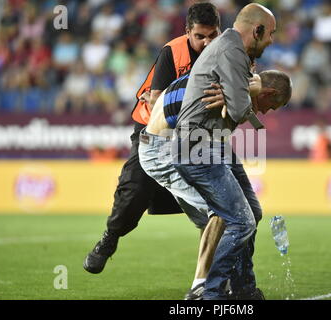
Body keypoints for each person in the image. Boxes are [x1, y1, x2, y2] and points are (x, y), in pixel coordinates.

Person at [83, 3, 222, 288]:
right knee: (133, 195)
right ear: (187, 32)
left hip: (194, 136)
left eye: (212, 35)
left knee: (217, 206)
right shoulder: (173, 52)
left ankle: (215, 278)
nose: (207, 42)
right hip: (153, 134)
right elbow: (158, 101)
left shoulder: (223, 53)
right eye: (200, 36)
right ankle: (109, 239)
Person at [139, 69, 292, 299]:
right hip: (164, 148)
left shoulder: (231, 79)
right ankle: (203, 288)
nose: (265, 112)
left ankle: (242, 288)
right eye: (271, 105)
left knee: (248, 212)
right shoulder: (230, 90)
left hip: (196, 142)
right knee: (226, 211)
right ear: (268, 92)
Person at [172, 3, 279, 300]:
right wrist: (249, 92)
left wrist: (240, 94)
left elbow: (236, 107)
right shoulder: (231, 51)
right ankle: (213, 294)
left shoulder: (235, 51)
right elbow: (239, 108)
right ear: (256, 30)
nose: (271, 40)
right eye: (270, 34)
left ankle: (243, 289)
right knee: (240, 220)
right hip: (196, 147)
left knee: (252, 212)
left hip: (213, 143)